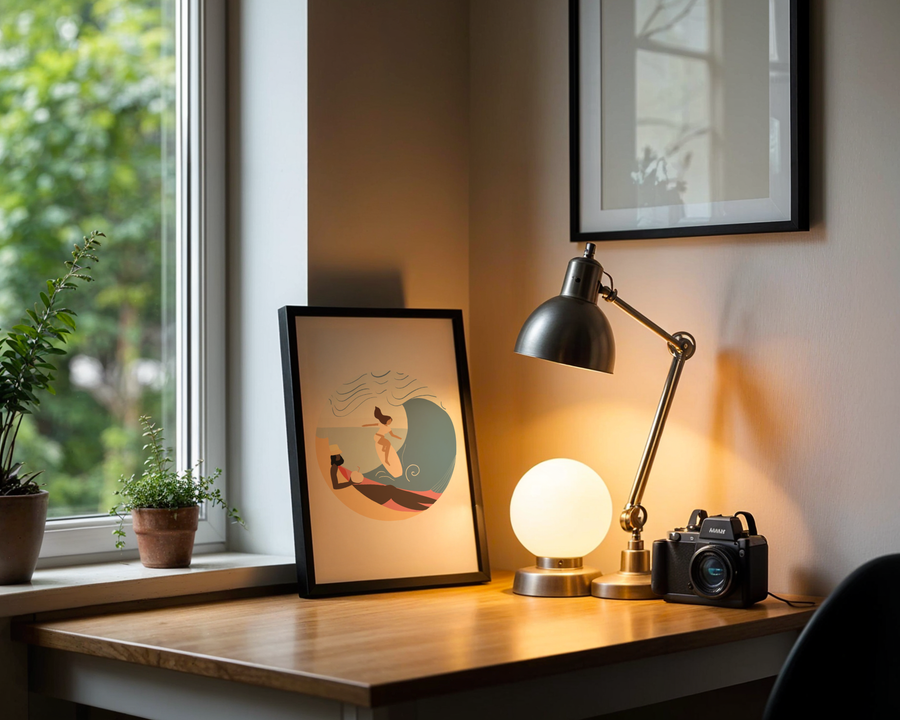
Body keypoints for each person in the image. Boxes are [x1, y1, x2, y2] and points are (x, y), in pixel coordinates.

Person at [362, 406, 404, 478]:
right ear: (386, 420)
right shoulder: (381, 425)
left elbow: (392, 435)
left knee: (387, 443)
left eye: (391, 421)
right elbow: (373, 424)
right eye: (389, 420)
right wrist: (365, 425)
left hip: (382, 438)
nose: (390, 422)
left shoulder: (388, 428)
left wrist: (399, 437)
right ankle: (386, 459)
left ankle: (384, 449)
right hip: (377, 437)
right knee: (388, 443)